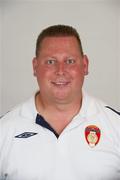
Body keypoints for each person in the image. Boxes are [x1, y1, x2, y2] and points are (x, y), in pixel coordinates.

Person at [0, 24, 120, 180]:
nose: (61, 70)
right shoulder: (4, 130)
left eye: (70, 61)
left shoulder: (116, 126)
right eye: (50, 62)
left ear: (85, 65)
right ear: (35, 67)